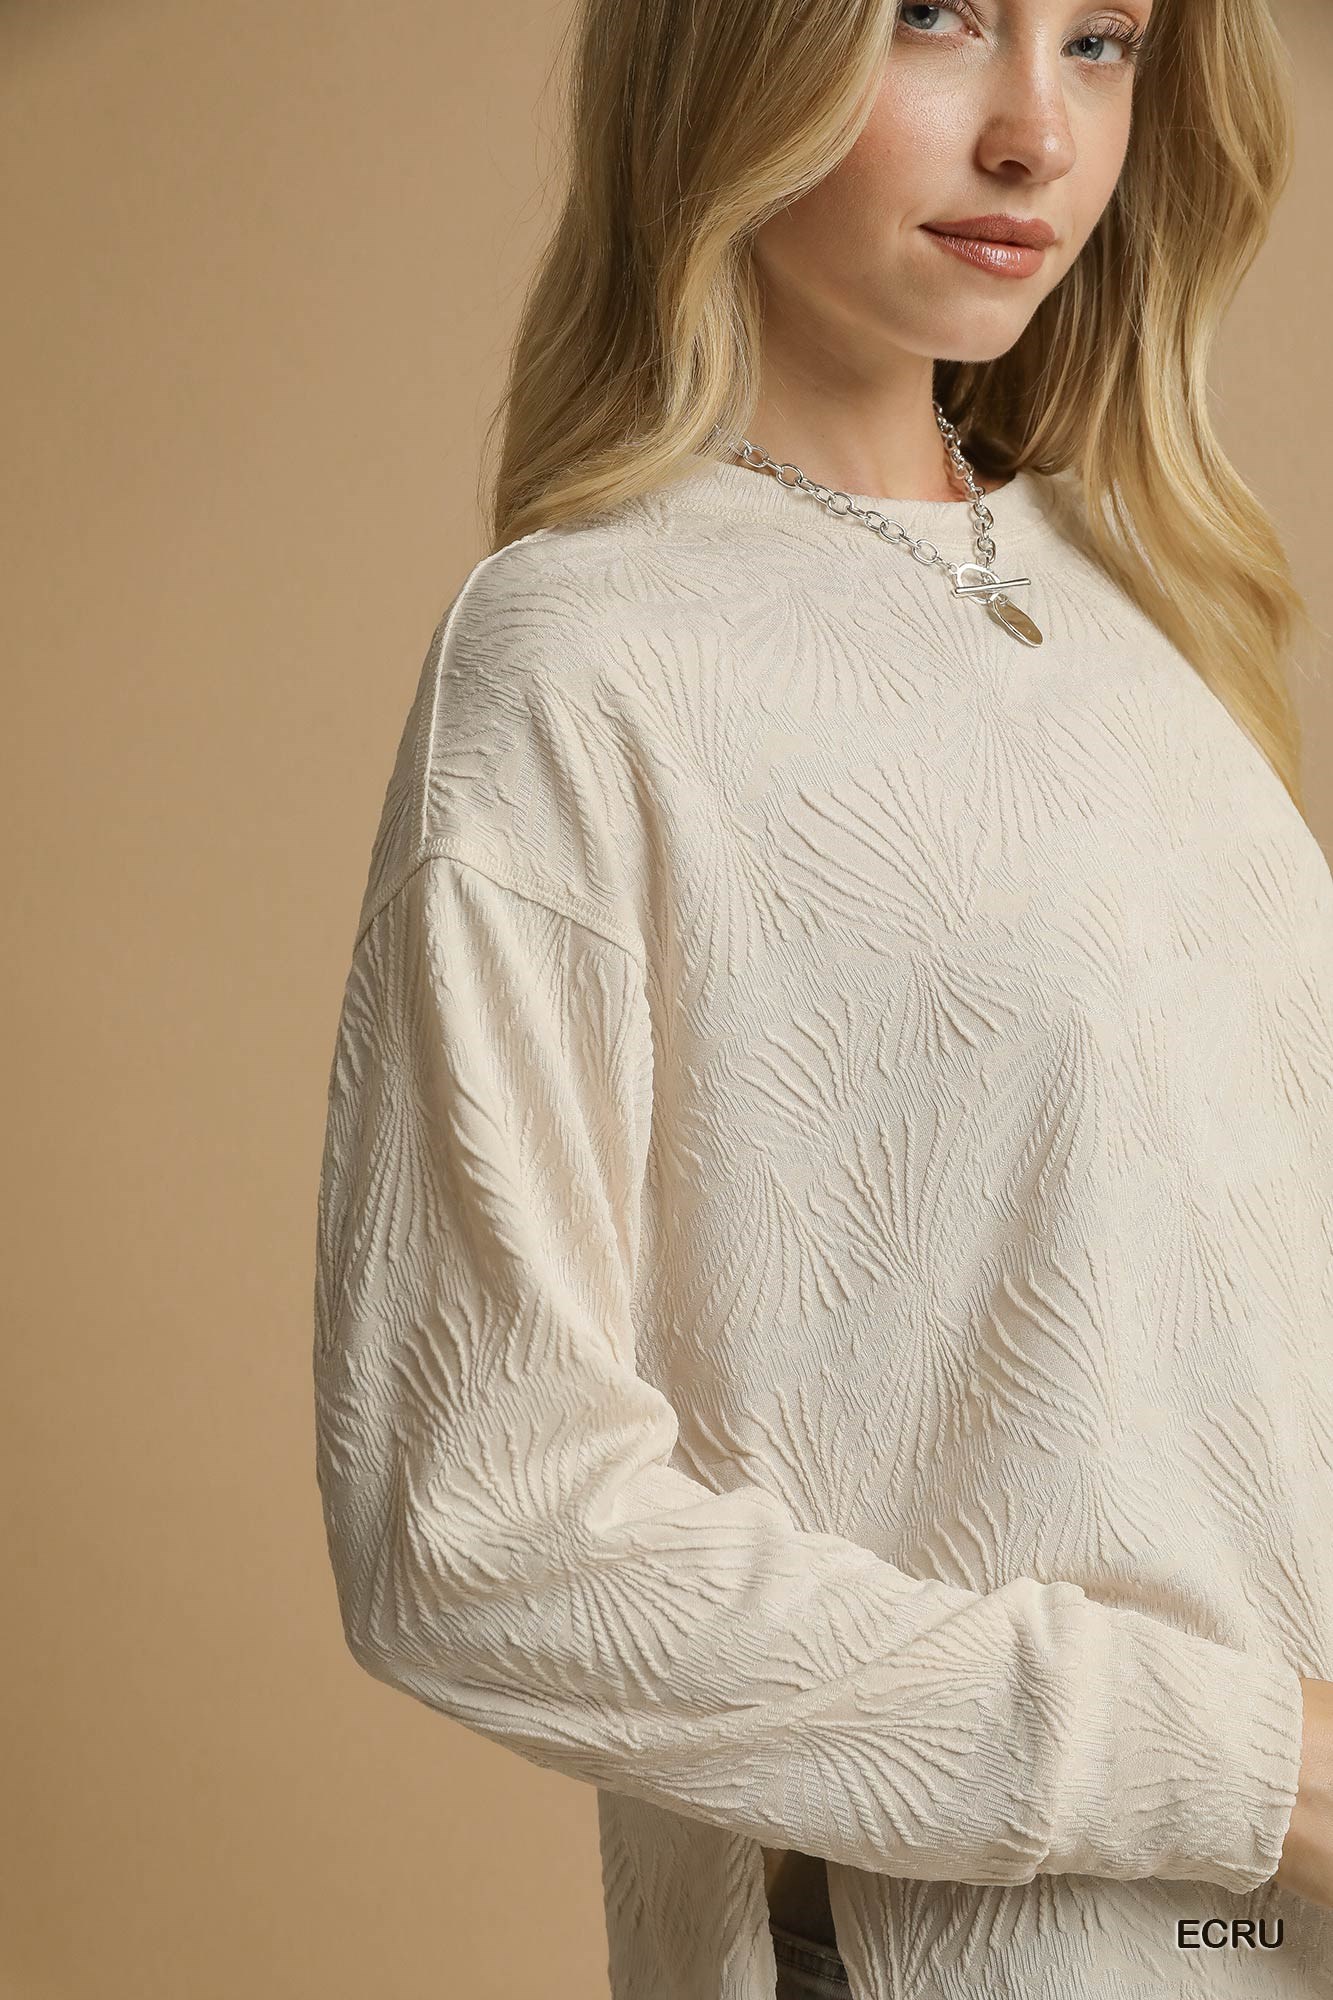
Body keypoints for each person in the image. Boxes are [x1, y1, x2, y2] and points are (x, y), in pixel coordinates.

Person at [310, 0, 1333, 1993]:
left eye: (1101, 39)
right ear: (730, 55)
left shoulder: (1144, 592)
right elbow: (478, 1530)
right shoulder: (584, 660)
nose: (1035, 134)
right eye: (934, 17)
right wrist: (1262, 1776)